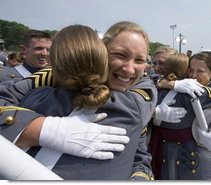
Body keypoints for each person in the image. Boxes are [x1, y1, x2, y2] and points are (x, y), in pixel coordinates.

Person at [0, 21, 157, 180]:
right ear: (100, 51)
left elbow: (140, 157)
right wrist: (43, 130)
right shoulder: (50, 79)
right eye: (120, 55)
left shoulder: (136, 100)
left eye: (139, 60)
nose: (129, 69)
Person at [148, 50, 211, 180]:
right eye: (190, 70)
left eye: (200, 71)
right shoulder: (178, 89)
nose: (194, 75)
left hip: (207, 165)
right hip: (169, 161)